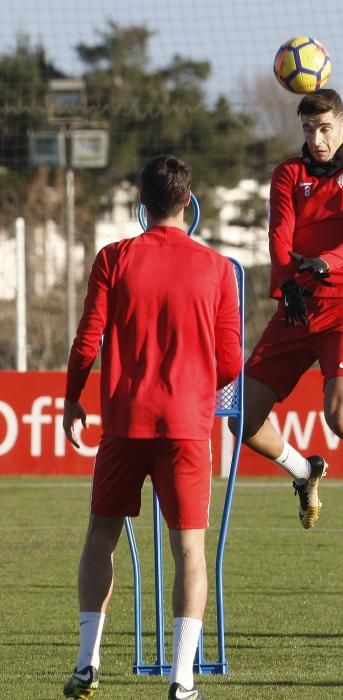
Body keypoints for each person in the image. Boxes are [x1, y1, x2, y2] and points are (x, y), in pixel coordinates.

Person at [62, 154, 242, 700]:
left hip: (124, 421)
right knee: (189, 550)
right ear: (188, 203)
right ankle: (182, 678)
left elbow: (87, 341)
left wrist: (72, 400)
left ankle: (88, 663)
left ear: (142, 204)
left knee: (100, 537)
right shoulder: (216, 268)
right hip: (187, 426)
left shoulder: (114, 257)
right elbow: (232, 361)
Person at [229, 88, 343, 530]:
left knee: (341, 418)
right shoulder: (288, 173)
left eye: (325, 128)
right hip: (297, 303)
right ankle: (304, 471)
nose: (317, 139)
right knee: (241, 419)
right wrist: (286, 282)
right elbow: (279, 233)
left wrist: (328, 262)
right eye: (309, 129)